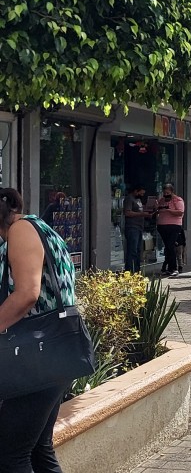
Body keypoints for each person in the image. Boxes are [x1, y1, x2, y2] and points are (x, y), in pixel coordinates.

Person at [0, 188, 79, 472]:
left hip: (37, 354)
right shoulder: (38, 226)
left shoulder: (21, 231)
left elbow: (26, 295)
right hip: (55, 349)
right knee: (36, 449)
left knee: (9, 455)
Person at [154, 184, 185, 276]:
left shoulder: (177, 200)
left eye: (168, 193)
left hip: (174, 225)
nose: (166, 194)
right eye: (164, 192)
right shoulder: (162, 200)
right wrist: (156, 207)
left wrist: (168, 210)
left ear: (172, 192)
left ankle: (174, 268)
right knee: (167, 247)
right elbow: (157, 211)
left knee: (171, 245)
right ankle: (168, 267)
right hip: (162, 226)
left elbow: (180, 212)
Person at [123, 185, 149, 273]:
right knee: (132, 250)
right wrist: (142, 214)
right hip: (132, 227)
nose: (142, 195)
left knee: (138, 250)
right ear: (135, 191)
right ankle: (130, 270)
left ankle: (136, 270)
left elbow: (139, 210)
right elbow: (128, 213)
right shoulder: (129, 199)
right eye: (140, 192)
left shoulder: (138, 200)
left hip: (139, 227)